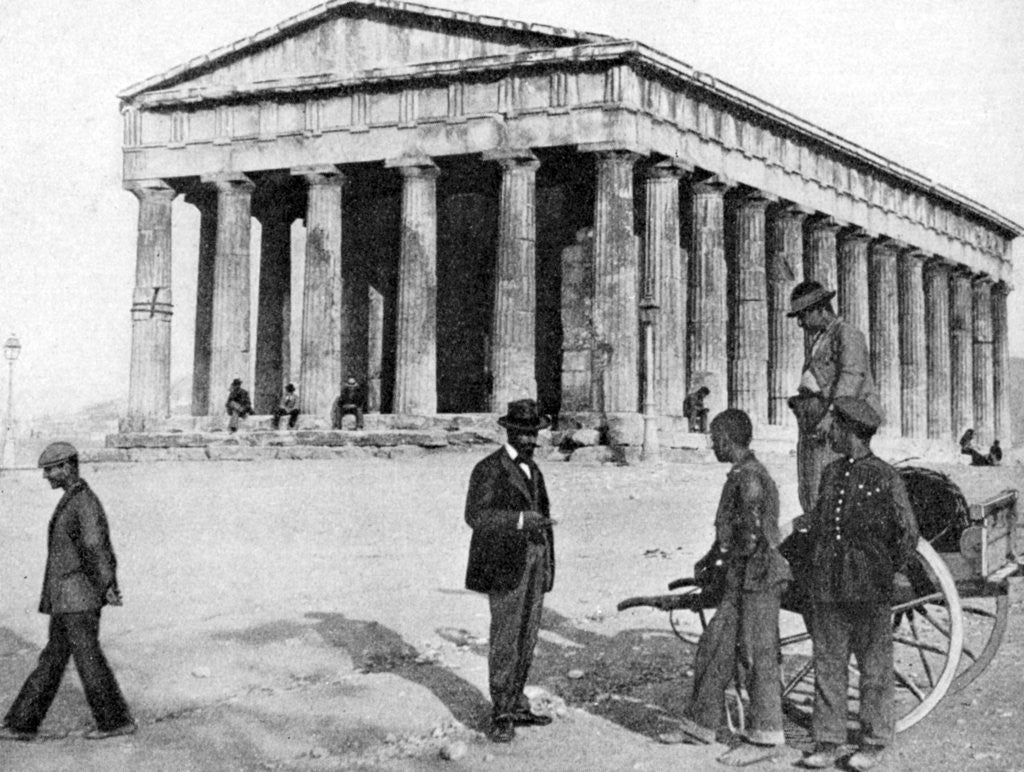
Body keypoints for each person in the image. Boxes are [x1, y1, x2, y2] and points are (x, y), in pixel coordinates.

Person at [658, 409, 791, 767]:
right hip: (741, 576)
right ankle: (700, 726)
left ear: (727, 440)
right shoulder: (740, 474)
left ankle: (765, 738)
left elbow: (752, 535)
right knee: (715, 645)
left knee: (755, 654)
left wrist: (722, 564)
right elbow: (730, 534)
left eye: (715, 439)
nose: (712, 445)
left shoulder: (749, 478)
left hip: (759, 576)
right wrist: (710, 558)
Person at [794, 397, 919, 771]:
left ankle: (875, 742)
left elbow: (907, 532)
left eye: (834, 425)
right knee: (828, 665)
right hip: (828, 585)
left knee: (875, 669)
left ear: (849, 431)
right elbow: (819, 524)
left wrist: (883, 569)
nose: (828, 431)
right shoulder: (831, 472)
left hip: (869, 588)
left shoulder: (885, 475)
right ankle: (829, 741)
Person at [0, 443, 136, 742]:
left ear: (67, 468)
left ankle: (114, 722)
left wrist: (107, 585)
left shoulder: (83, 502)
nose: (46, 476)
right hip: (69, 599)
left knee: (85, 660)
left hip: (78, 599)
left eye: (51, 469)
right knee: (54, 659)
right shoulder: (74, 499)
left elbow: (95, 547)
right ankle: (22, 724)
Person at [464, 399, 555, 743]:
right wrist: (519, 521)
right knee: (505, 639)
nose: (532, 441)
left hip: (534, 559)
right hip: (504, 564)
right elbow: (475, 516)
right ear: (510, 431)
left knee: (527, 637)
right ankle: (501, 711)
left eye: (535, 434)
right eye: (525, 434)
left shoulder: (535, 470)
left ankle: (517, 703)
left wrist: (545, 560)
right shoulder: (488, 468)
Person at [787, 280, 881, 516]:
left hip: (835, 422)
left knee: (828, 484)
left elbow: (851, 377)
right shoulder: (821, 337)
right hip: (814, 418)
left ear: (821, 309)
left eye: (803, 315)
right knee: (810, 483)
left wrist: (831, 416)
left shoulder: (848, 334)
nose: (800, 323)